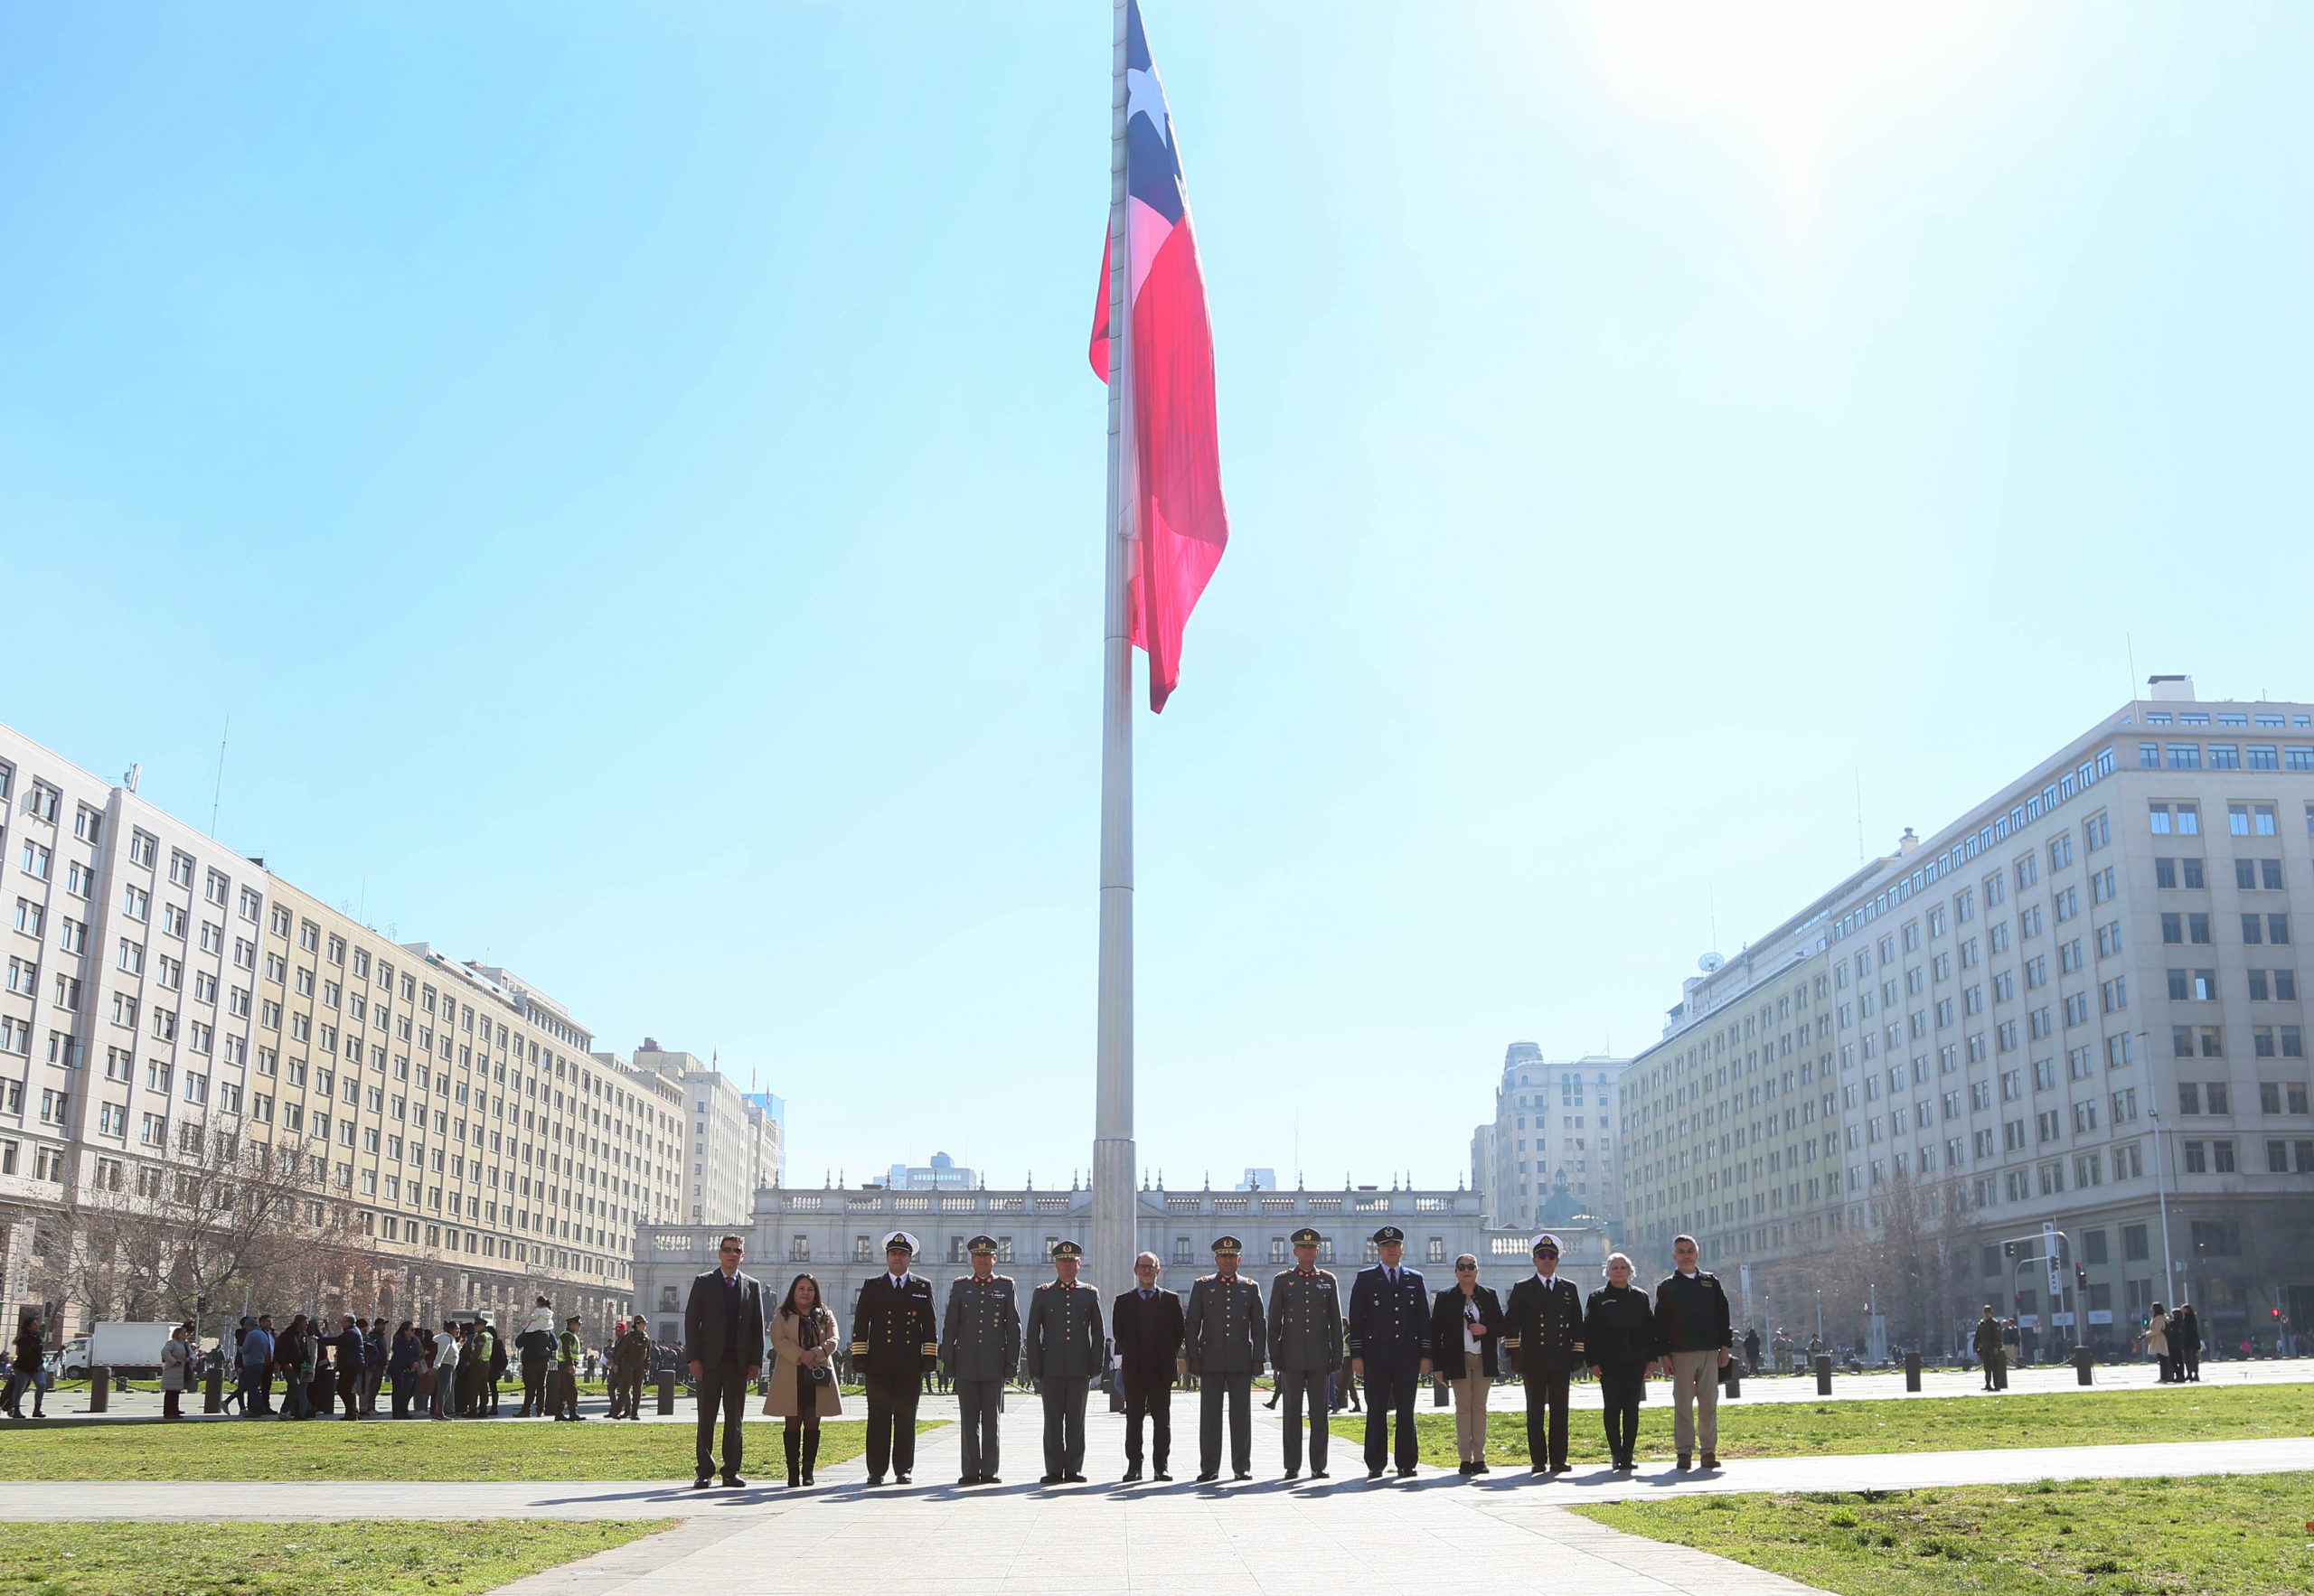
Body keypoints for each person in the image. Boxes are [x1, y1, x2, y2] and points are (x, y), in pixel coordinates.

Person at [849, 1229, 938, 1486]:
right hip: (878, 1364)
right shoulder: (872, 1286)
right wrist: (859, 1355)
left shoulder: (922, 1287)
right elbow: (861, 1323)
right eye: (893, 1253)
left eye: (902, 1254)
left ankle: (903, 1469)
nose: (898, 1258)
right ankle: (876, 1470)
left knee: (906, 1418)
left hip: (909, 1365)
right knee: (878, 1417)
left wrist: (929, 1356)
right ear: (887, 1257)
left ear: (910, 1258)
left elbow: (929, 1325)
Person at [1347, 1225, 1430, 1479]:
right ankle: (1375, 1463)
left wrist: (1425, 1355)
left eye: (1395, 1245)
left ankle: (1407, 1462)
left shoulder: (1414, 1279)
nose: (1391, 1249)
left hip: (1407, 1357)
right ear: (1379, 1250)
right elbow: (1356, 1319)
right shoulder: (1366, 1278)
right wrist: (1356, 1356)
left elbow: (1423, 1320)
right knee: (1376, 1410)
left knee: (1406, 1410)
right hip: (1376, 1357)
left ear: (1402, 1249)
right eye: (1386, 1246)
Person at [682, 1233, 766, 1481]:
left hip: (738, 1364)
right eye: (727, 1249)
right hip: (708, 1363)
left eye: (737, 1250)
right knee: (706, 1418)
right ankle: (704, 1471)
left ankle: (731, 1471)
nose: (732, 1254)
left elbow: (757, 1327)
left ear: (743, 1256)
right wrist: (694, 1359)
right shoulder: (703, 1282)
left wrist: (756, 1362)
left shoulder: (752, 1286)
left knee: (735, 1419)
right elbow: (691, 1322)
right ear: (719, 1254)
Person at [940, 1235, 1021, 1485]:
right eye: (978, 1256)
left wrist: (1012, 1362)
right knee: (968, 1420)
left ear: (995, 1259)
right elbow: (950, 1326)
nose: (982, 1260)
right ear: (972, 1259)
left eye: (987, 1256)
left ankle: (989, 1470)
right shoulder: (961, 1287)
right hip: (966, 1362)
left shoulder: (1005, 1286)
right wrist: (948, 1361)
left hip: (994, 1363)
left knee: (991, 1419)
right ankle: (969, 1469)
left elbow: (1013, 1327)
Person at [1184, 1235, 1265, 1483]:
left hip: (1240, 1360)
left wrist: (1258, 1359)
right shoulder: (1202, 1285)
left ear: (1239, 1259)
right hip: (1211, 1359)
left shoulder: (1250, 1287)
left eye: (1232, 1256)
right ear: (1216, 1259)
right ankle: (1210, 1467)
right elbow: (1192, 1324)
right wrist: (1193, 1356)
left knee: (1241, 1416)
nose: (1228, 1260)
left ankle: (1242, 1466)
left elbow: (1258, 1326)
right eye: (1223, 1256)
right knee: (1210, 1417)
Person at [1502, 1232, 1585, 1475]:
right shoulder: (1523, 1288)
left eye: (1551, 1256)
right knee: (1535, 1411)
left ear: (1557, 1260)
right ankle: (1538, 1459)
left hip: (1560, 1358)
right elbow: (1512, 1324)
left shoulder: (1569, 1288)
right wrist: (1514, 1354)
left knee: (1560, 1411)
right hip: (1533, 1359)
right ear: (1534, 1260)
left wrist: (1578, 1353)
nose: (1547, 1260)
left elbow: (1577, 1324)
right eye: (1542, 1256)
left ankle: (1559, 1459)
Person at [1025, 1239, 1105, 1485]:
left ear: (1079, 1264)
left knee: (1076, 1421)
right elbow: (1033, 1332)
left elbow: (1098, 1332)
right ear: (1056, 1264)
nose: (1068, 1265)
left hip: (1079, 1368)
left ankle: (1073, 1469)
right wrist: (1035, 1366)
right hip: (1051, 1368)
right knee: (1052, 1421)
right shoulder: (1043, 1293)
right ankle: (1053, 1469)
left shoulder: (1089, 1293)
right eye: (1063, 1261)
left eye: (1072, 1261)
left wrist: (1096, 1364)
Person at [1268, 1226, 1343, 1481]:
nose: (1307, 1251)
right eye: (1303, 1247)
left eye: (1312, 1248)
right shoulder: (1283, 1280)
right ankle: (1292, 1465)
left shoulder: (1328, 1280)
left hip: (1320, 1357)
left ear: (1317, 1251)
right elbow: (1274, 1322)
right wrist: (1275, 1355)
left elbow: (1335, 1321)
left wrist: (1336, 1356)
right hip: (1291, 1357)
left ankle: (1318, 1465)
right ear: (1295, 1251)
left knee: (1319, 1413)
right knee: (1292, 1412)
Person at [1652, 1234, 1733, 1471]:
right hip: (1680, 1354)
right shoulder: (1667, 1286)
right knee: (1683, 1405)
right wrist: (1664, 1355)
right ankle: (1684, 1452)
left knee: (1709, 1404)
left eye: (1690, 1251)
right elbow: (1660, 1323)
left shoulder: (1711, 1282)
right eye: (1681, 1252)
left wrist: (1725, 1346)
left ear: (1697, 1254)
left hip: (1710, 1352)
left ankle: (1708, 1451)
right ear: (1674, 1256)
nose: (1686, 1256)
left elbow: (1723, 1316)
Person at [1112, 1250, 1184, 1482]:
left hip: (1161, 1371)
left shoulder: (1171, 1300)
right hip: (1134, 1371)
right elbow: (1119, 1334)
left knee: (1162, 1422)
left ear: (1158, 1270)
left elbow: (1178, 1334)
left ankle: (1161, 1467)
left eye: (1150, 1266)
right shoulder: (1123, 1301)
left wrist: (1165, 1355)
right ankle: (1134, 1467)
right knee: (1134, 1421)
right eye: (1142, 1266)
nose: (1146, 1270)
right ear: (1135, 1270)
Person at [764, 1272, 842, 1487]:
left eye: (810, 1289)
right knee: (792, 1423)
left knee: (812, 1424)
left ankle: (808, 1471)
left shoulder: (825, 1314)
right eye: (801, 1288)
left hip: (817, 1373)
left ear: (816, 1292)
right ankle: (792, 1472)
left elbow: (834, 1339)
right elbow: (777, 1338)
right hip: (791, 1374)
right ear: (793, 1291)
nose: (805, 1293)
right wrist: (800, 1355)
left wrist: (815, 1353)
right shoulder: (783, 1314)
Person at [1432, 1253, 1506, 1477]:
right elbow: (1435, 1333)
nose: (1467, 1270)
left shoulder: (1489, 1295)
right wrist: (1438, 1366)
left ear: (1477, 1270)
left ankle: (1480, 1457)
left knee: (1479, 1408)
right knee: (1463, 1408)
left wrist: (1485, 1329)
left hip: (1483, 1358)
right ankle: (1465, 1458)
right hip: (1458, 1359)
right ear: (1456, 1272)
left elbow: (1503, 1326)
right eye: (1462, 1267)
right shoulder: (1445, 1297)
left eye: (1471, 1266)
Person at [1584, 1252, 1656, 1471]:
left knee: (1632, 1409)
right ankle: (1616, 1453)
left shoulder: (1640, 1297)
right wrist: (1592, 1361)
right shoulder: (1597, 1298)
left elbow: (1650, 1330)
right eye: (1614, 1268)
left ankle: (1629, 1453)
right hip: (1608, 1364)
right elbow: (1589, 1332)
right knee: (1612, 1409)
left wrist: (1651, 1358)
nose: (1619, 1271)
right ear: (1607, 1272)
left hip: (1635, 1362)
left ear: (1630, 1271)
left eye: (1623, 1268)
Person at [5, 1312, 44, 1420]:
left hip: (36, 1367)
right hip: (23, 1367)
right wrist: (37, 1364)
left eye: (36, 1324)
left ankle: (37, 1409)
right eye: (34, 1324)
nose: (37, 1326)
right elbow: (27, 1353)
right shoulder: (23, 1339)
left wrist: (40, 1363)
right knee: (19, 1387)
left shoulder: (37, 1337)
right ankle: (16, 1409)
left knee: (41, 1384)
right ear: (28, 1327)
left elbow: (39, 1353)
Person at [613, 1316, 652, 1421]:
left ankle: (634, 1414)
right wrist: (616, 1363)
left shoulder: (646, 1338)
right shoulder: (629, 1337)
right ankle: (616, 1412)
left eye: (645, 1324)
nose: (644, 1326)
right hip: (629, 1365)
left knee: (637, 1391)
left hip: (640, 1366)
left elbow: (647, 1354)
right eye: (643, 1324)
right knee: (624, 1390)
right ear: (637, 1324)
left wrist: (647, 1367)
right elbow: (620, 1351)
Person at [235, 1314, 272, 1419]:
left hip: (250, 1363)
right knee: (256, 1386)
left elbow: (245, 1349)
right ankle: (260, 1408)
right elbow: (267, 1348)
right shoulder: (263, 1334)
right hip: (260, 1362)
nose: (246, 1329)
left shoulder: (251, 1335)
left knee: (252, 1388)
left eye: (246, 1327)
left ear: (250, 1325)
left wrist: (239, 1348)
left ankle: (256, 1409)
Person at [517, 1318, 555, 1417]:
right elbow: (555, 1345)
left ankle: (526, 1410)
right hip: (543, 1361)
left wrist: (525, 1330)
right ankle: (540, 1410)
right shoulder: (548, 1331)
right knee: (541, 1386)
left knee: (530, 1387)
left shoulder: (529, 1331)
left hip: (529, 1362)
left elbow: (518, 1343)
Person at [332, 1314, 366, 1419]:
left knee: (343, 1388)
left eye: (343, 1321)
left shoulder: (351, 1332)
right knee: (347, 1388)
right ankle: (352, 1411)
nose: (342, 1323)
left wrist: (319, 1339)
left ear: (349, 1322)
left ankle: (352, 1412)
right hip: (352, 1364)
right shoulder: (354, 1331)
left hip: (350, 1365)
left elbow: (337, 1340)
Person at [160, 1322, 193, 1422]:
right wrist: (173, 1361)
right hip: (172, 1371)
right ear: (177, 1334)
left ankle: (175, 1410)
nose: (184, 1335)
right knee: (170, 1393)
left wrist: (190, 1358)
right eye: (182, 1333)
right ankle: (168, 1412)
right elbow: (165, 1352)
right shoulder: (172, 1343)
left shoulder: (184, 1344)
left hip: (180, 1371)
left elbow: (189, 1354)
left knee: (176, 1392)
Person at [386, 1321, 419, 1418]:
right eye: (411, 1330)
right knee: (398, 1391)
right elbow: (400, 1354)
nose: (413, 1332)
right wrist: (411, 1363)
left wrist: (416, 1362)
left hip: (411, 1370)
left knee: (407, 1391)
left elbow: (417, 1354)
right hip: (399, 1369)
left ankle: (404, 1411)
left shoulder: (415, 1341)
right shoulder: (399, 1341)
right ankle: (397, 1412)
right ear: (405, 1331)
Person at [428, 1320, 458, 1420]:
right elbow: (441, 1353)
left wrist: (460, 1345)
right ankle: (438, 1414)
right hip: (445, 1366)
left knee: (447, 1390)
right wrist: (436, 1366)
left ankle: (439, 1411)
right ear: (450, 1330)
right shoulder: (446, 1339)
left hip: (450, 1367)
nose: (458, 1331)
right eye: (456, 1329)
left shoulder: (452, 1339)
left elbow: (452, 1352)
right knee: (442, 1390)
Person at [1973, 1305, 2005, 1391]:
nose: (1987, 1314)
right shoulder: (1981, 1324)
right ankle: (1988, 1384)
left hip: (1993, 1349)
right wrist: (1975, 1346)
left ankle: (1997, 1385)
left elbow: (1998, 1337)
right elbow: (1977, 1337)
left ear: (1991, 1313)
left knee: (1995, 1367)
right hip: (1985, 1349)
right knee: (1987, 1368)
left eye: (1988, 1312)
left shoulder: (1995, 1323)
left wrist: (1997, 1347)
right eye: (1985, 1313)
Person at [2142, 1302, 2173, 1382]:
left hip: (2160, 1339)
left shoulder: (2160, 1318)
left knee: (2163, 1359)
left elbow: (2156, 1330)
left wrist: (2146, 1334)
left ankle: (2164, 1377)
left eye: (2152, 1309)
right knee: (2161, 1359)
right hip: (2157, 1339)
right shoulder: (2156, 1318)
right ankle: (2163, 1377)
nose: (2151, 1310)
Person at [2174, 1301, 2203, 1382]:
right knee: (2193, 1359)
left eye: (2183, 1309)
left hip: (2188, 1342)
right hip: (2193, 1342)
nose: (2182, 1311)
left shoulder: (2187, 1319)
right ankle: (2194, 1374)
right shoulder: (2193, 1318)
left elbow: (2185, 1330)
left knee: (2189, 1359)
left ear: (2186, 1310)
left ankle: (2191, 1373)